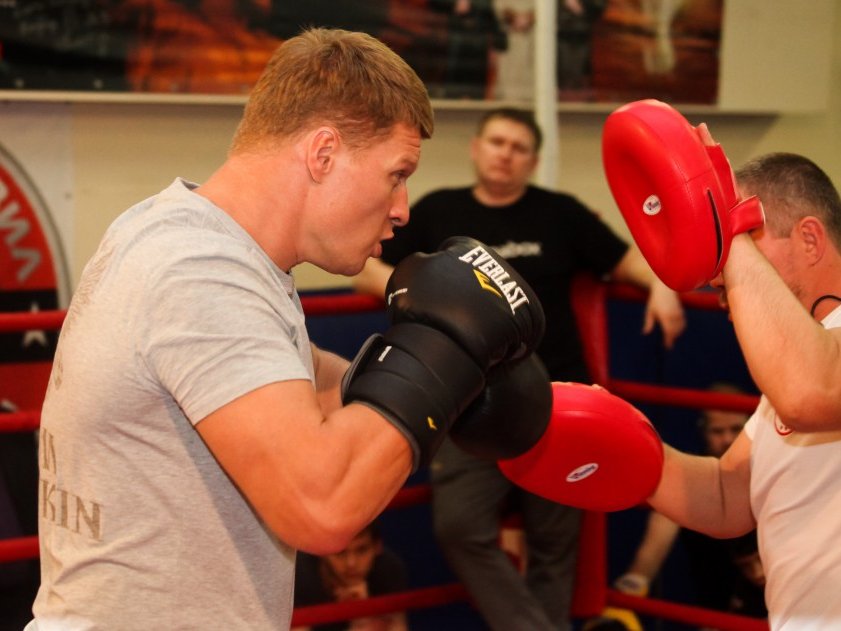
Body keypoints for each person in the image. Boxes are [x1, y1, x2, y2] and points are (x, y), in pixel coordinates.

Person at [29, 28, 550, 630]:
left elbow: (306, 379)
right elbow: (320, 507)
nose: (402, 208)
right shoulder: (200, 271)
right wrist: (441, 358)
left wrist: (458, 388)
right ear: (323, 153)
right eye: (396, 173)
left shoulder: (181, 233)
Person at [352, 107, 686, 631]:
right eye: (497, 142)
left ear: (533, 161)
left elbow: (628, 261)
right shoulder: (439, 211)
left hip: (557, 401)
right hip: (469, 403)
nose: (505, 154)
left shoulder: (560, 214)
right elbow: (365, 265)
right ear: (476, 148)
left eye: (519, 147)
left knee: (555, 540)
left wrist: (663, 287)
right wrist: (416, 293)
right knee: (460, 526)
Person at [648, 147, 841, 630]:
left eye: (744, 236)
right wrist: (625, 447)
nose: (720, 273)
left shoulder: (809, 374)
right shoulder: (799, 358)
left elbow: (812, 395)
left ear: (810, 239)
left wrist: (727, 233)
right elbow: (726, 496)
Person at [587, 383, 766, 630]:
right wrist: (633, 585)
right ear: (703, 431)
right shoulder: (696, 483)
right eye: (717, 431)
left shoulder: (771, 474)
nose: (727, 439)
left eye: (736, 429)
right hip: (722, 607)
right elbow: (661, 530)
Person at [293, 521, 409, 631]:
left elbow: (399, 627)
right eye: (340, 552)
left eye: (361, 550)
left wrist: (363, 614)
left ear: (377, 547)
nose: (351, 563)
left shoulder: (389, 569)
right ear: (322, 551)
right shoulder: (299, 574)